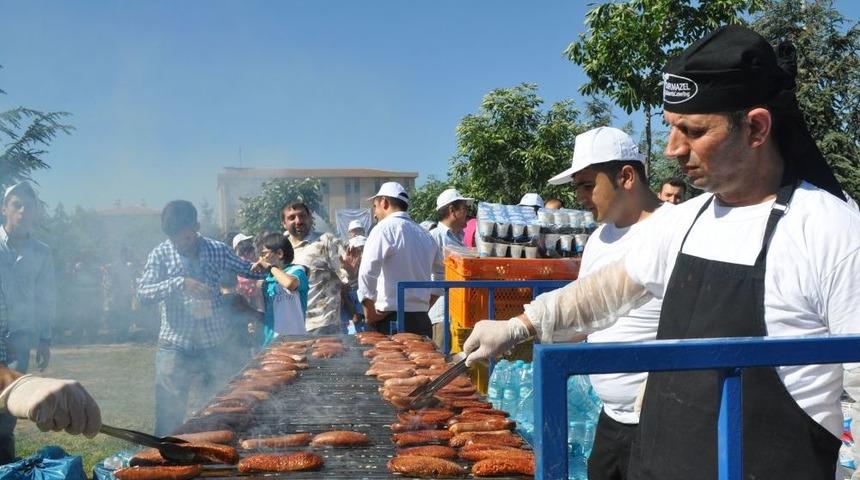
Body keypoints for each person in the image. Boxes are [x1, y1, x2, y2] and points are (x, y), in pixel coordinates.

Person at [463, 25, 860, 479]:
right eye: (672, 127)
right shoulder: (689, 220)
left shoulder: (832, 229)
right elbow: (607, 292)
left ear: (756, 127)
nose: (672, 149)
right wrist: (519, 325)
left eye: (693, 131)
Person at [547, 126, 670, 480]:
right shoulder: (600, 238)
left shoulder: (671, 229)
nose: (581, 197)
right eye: (577, 188)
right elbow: (585, 309)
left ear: (626, 177)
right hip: (611, 418)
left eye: (588, 185)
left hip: (658, 420)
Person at [137, 200, 262, 435]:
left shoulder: (217, 250)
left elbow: (249, 269)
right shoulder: (161, 254)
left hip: (213, 344)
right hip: (175, 344)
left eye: (183, 237)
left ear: (196, 227)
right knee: (168, 416)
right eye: (173, 238)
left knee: (216, 410)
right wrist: (179, 282)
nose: (178, 243)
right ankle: (165, 459)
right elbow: (143, 293)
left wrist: (271, 264)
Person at [0, 182, 57, 462]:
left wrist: (44, 340)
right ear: (4, 209)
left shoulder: (42, 252)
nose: (22, 211)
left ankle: (5, 467)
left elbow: (46, 297)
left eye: (29, 206)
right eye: (16, 205)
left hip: (18, 342)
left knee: (5, 410)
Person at [358, 182, 443, 336]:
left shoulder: (383, 229)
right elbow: (441, 275)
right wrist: (423, 305)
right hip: (422, 320)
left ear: (384, 202)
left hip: (391, 321)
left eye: (375, 207)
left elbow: (366, 273)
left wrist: (369, 313)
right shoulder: (426, 235)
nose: (375, 214)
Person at [282, 201, 350, 336]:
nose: (298, 221)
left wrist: (351, 272)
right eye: (292, 217)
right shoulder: (280, 248)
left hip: (323, 325)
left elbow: (347, 276)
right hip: (291, 327)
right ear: (284, 223)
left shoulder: (326, 241)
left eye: (302, 216)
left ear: (310, 219)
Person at [428, 188, 474, 349]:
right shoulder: (434, 237)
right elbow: (425, 274)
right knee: (440, 360)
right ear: (452, 210)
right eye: (465, 208)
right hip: (441, 313)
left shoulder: (460, 237)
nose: (468, 213)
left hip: (460, 312)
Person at [253, 232, 308, 345]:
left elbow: (290, 284)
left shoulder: (297, 270)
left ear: (279, 253)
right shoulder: (267, 280)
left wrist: (270, 267)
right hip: (272, 341)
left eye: (264, 254)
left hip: (296, 340)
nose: (261, 259)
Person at [232, 233, 264, 314]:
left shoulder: (251, 261)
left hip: (252, 297)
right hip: (248, 297)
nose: (249, 245)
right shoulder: (240, 263)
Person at [340, 235, 367, 333]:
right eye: (357, 252)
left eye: (362, 251)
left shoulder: (376, 275)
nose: (360, 256)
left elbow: (358, 317)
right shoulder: (341, 276)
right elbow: (355, 317)